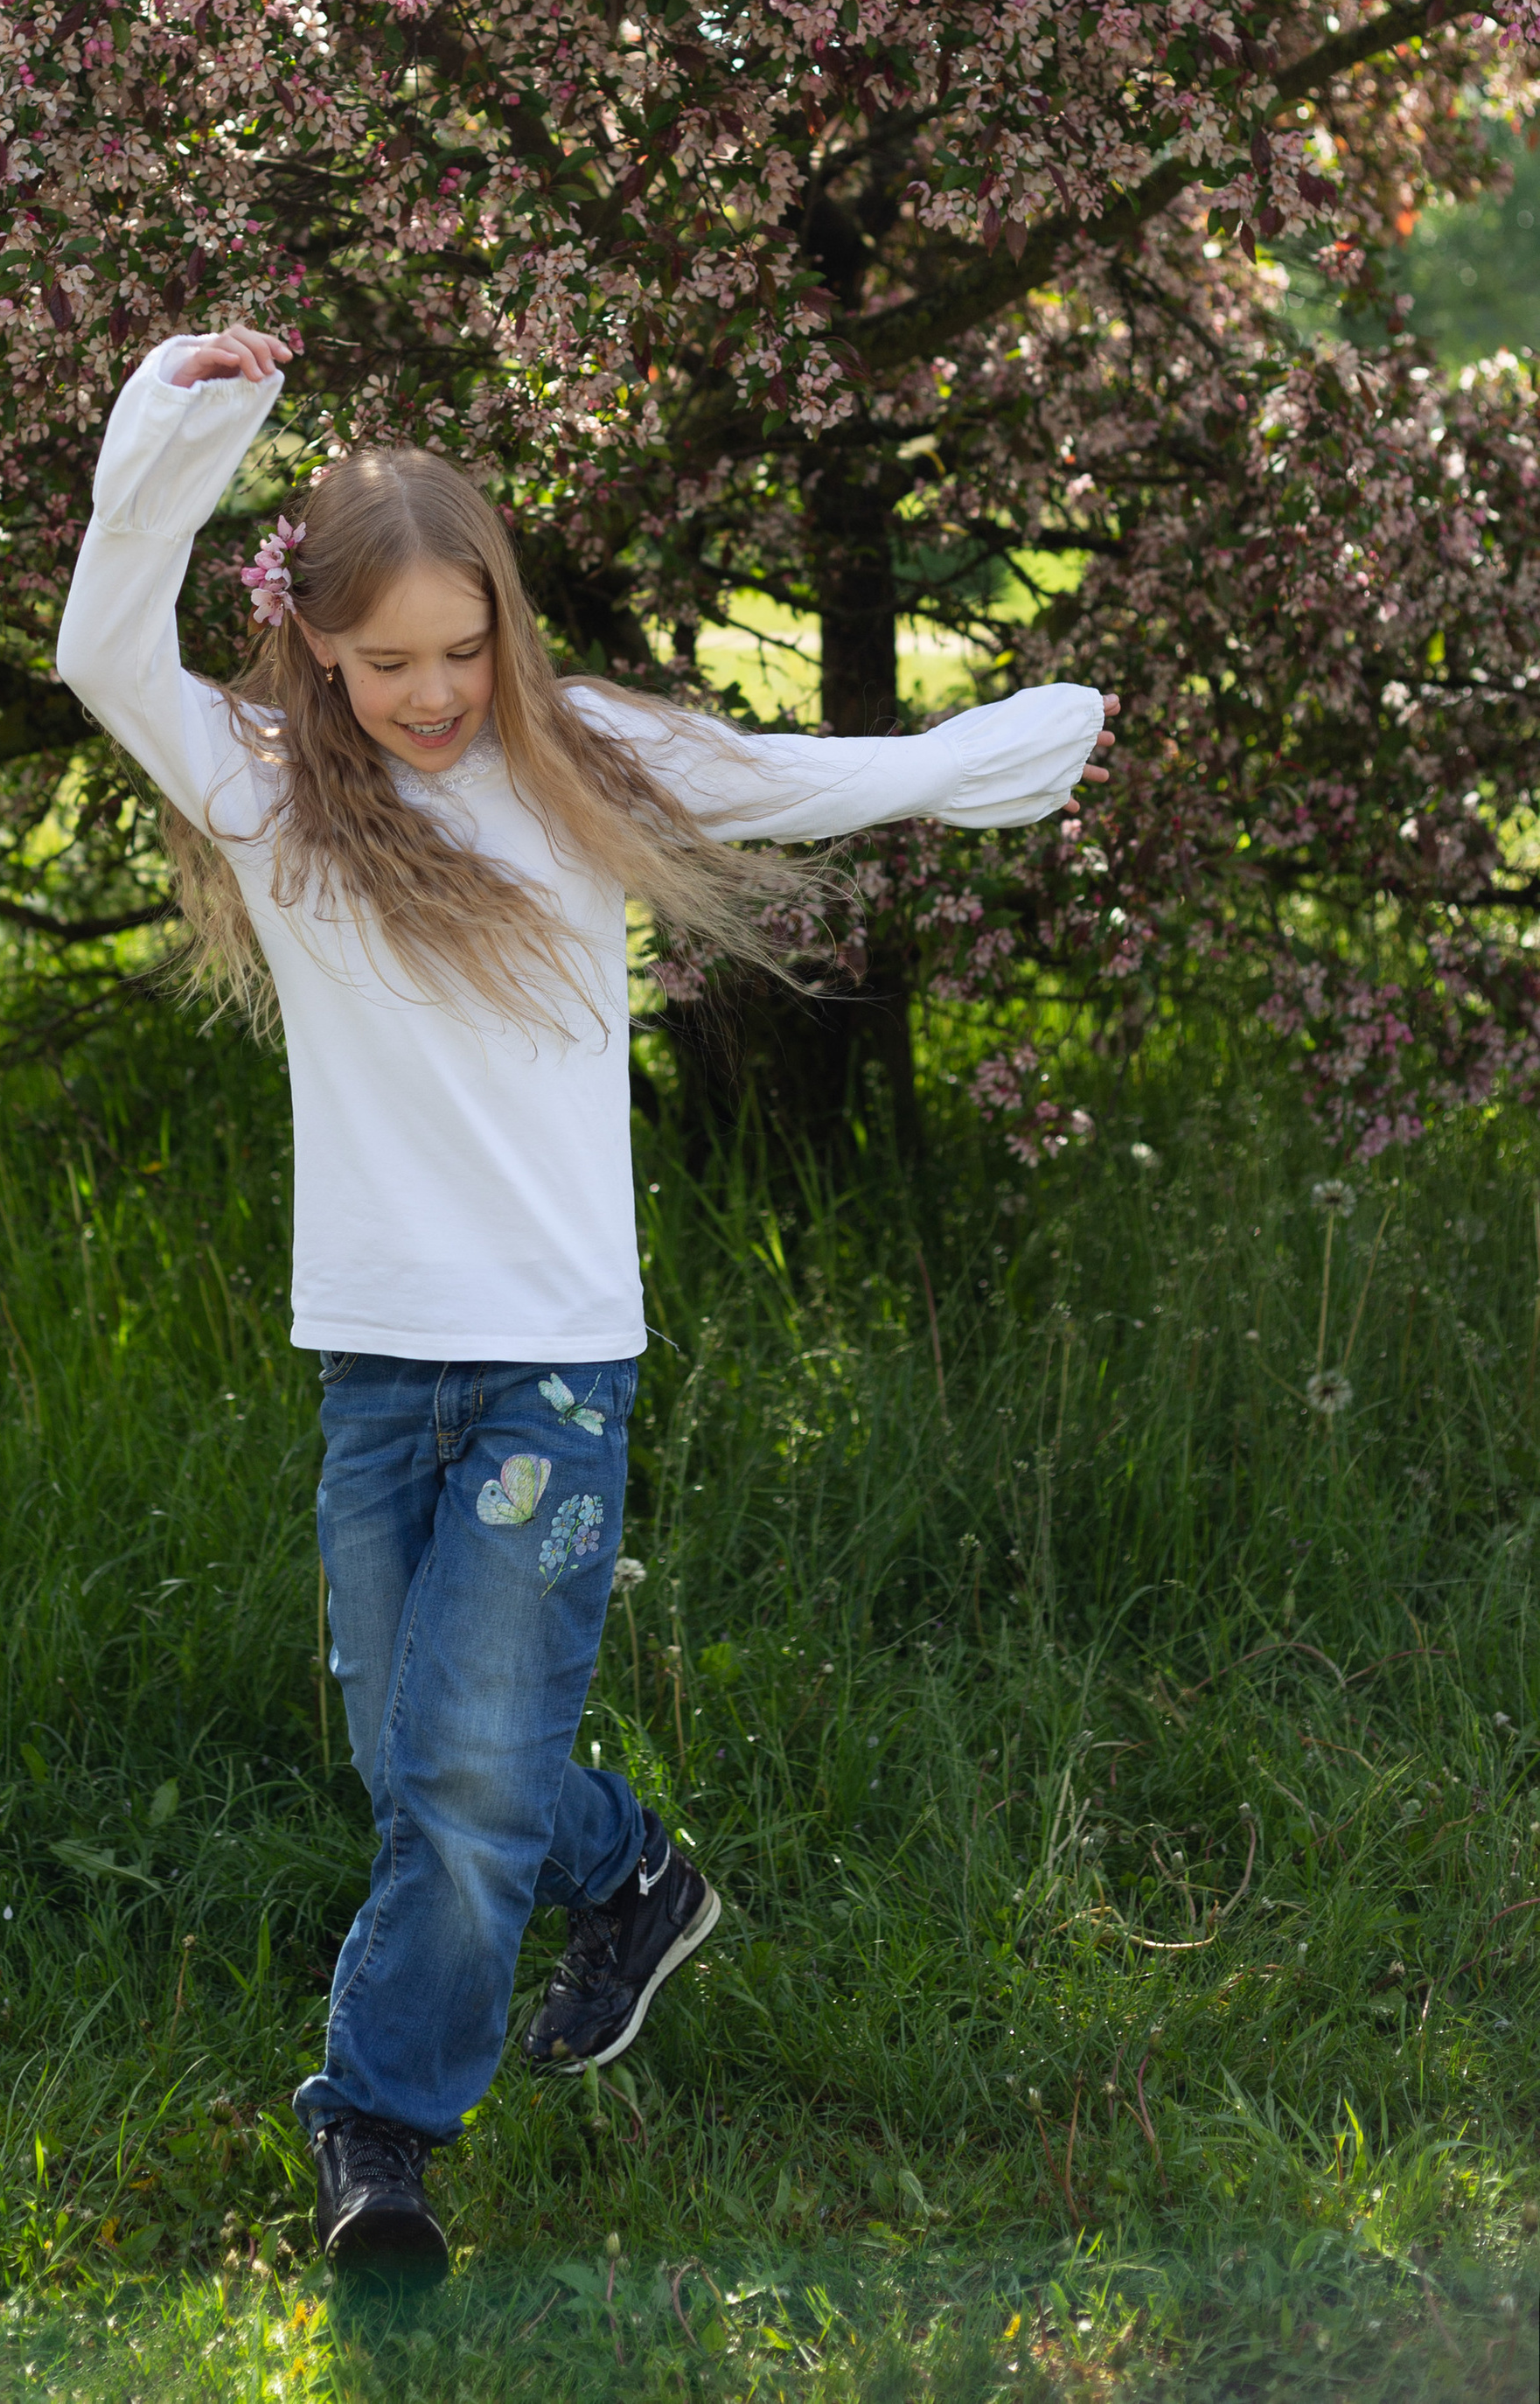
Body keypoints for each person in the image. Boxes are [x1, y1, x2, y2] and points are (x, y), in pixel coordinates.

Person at [57, 323, 1116, 2274]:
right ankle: (628, 1872)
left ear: (505, 632)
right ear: (312, 649)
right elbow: (104, 649)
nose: (435, 695)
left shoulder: (577, 769)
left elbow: (810, 773)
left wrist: (986, 758)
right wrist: (172, 438)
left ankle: (376, 2130)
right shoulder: (266, 795)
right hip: (378, 1371)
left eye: (464, 651)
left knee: (456, 1792)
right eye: (389, 664)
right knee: (415, 1762)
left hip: (551, 1373)